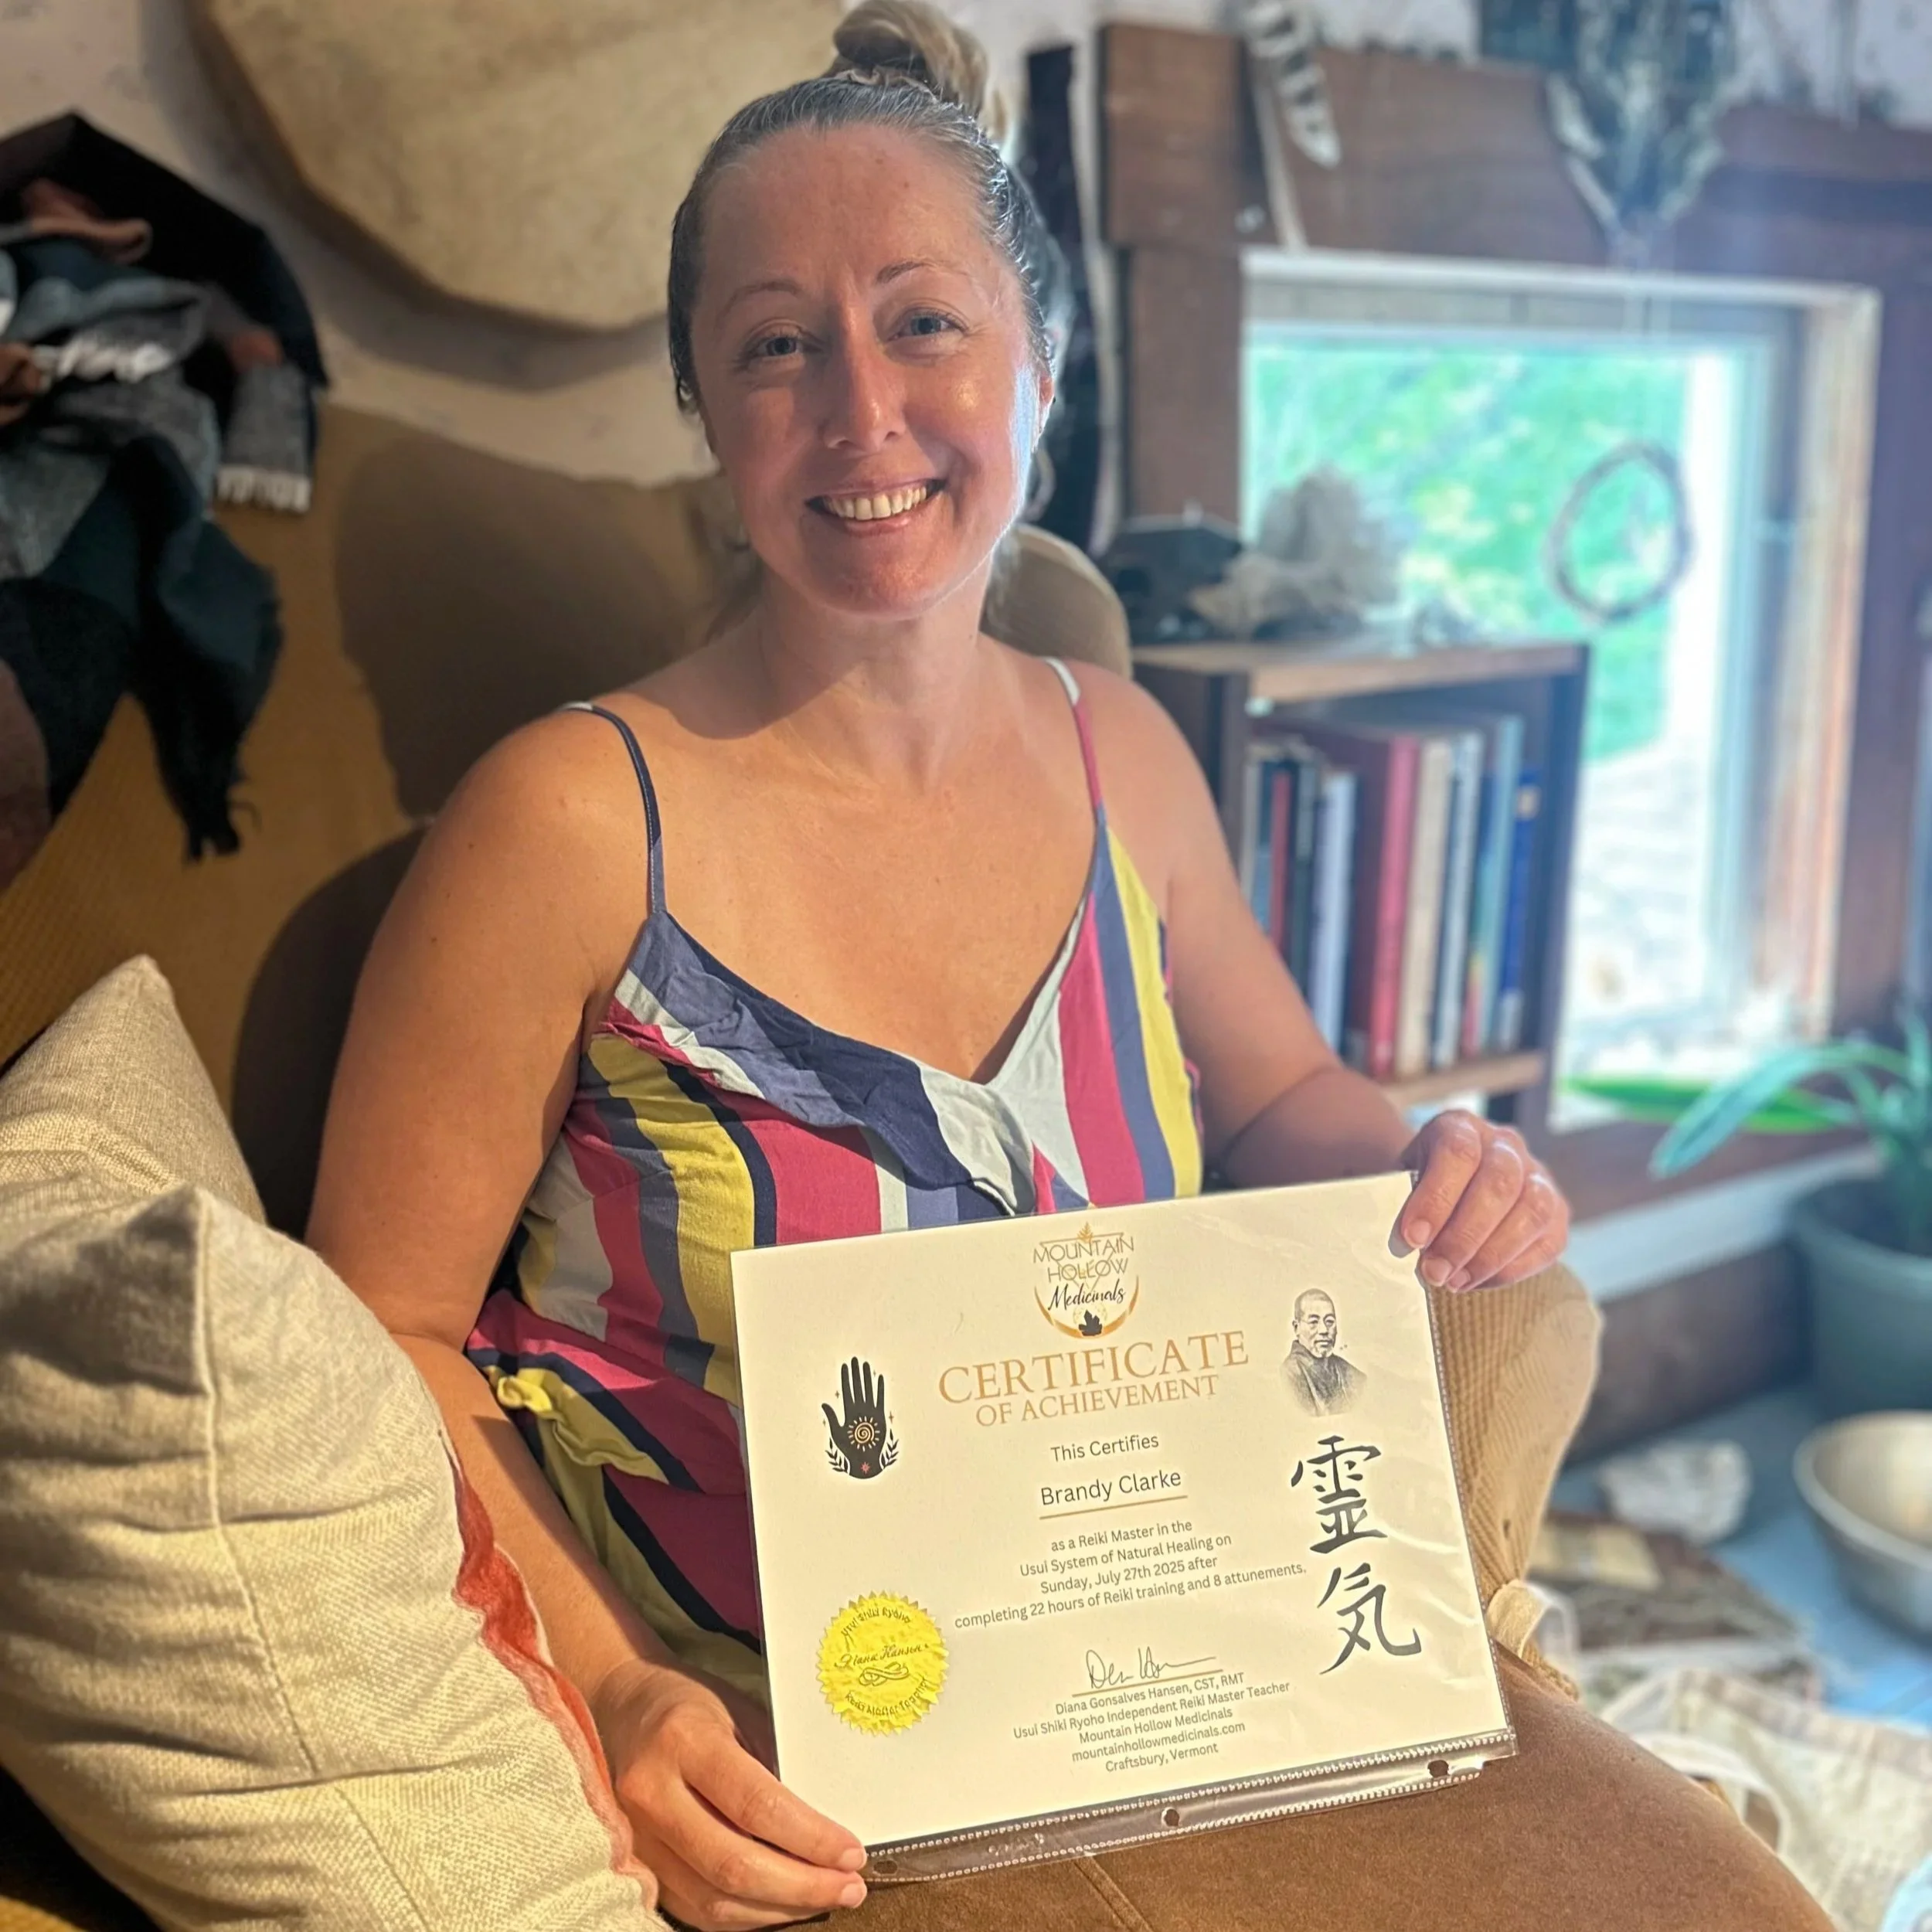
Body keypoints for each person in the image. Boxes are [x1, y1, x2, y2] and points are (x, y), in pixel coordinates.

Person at [307, 8, 1827, 1930]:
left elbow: (1283, 1099)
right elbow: (378, 1323)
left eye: (923, 323)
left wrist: (1439, 1158)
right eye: (775, 345)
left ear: (1042, 362)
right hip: (815, 1745)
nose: (860, 410)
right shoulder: (572, 818)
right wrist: (614, 1688)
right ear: (703, 405)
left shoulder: (1128, 754)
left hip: (1198, 1637)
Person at [1281, 1287, 1366, 1416]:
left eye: (1329, 1322)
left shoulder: (1351, 1373)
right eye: (1314, 1322)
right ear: (1297, 1328)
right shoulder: (1290, 1374)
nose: (1324, 1330)